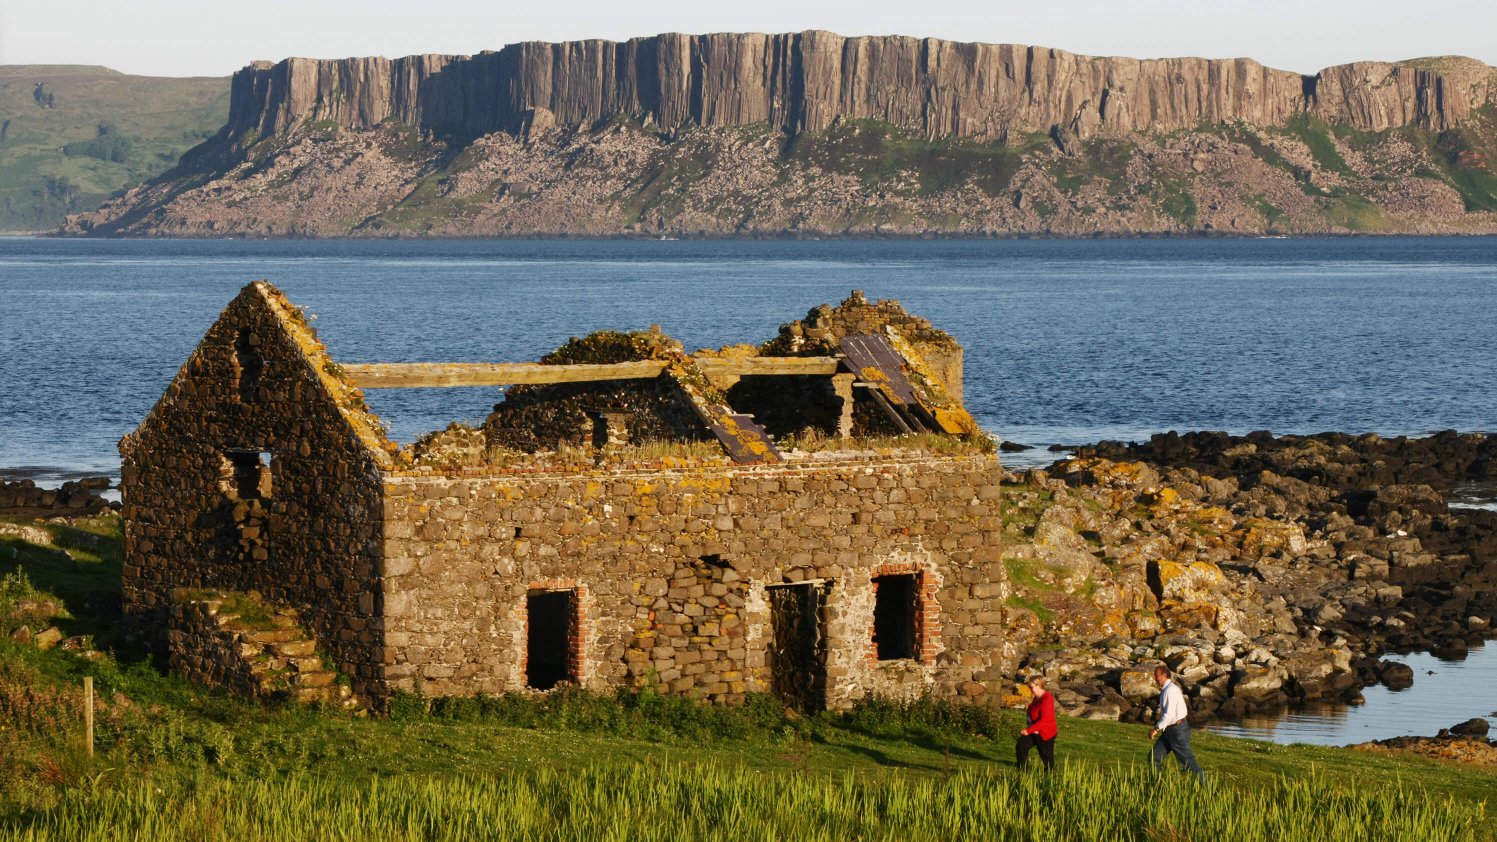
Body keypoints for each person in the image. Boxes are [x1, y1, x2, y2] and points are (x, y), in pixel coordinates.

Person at [1149, 665, 1204, 781]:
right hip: (1169, 731)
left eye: (1156, 675)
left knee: (1188, 763)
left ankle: (1207, 789)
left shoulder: (1170, 691)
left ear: (1164, 675)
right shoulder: (1167, 689)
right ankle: (1156, 784)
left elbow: (1169, 714)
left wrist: (1156, 729)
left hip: (1177, 731)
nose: (1154, 677)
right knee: (1154, 757)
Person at [1015, 675, 1057, 770]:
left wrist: (1028, 730)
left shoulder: (1046, 699)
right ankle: (1023, 771)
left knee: (1046, 756)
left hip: (1045, 733)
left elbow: (1045, 720)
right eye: (1029, 686)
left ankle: (1050, 776)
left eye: (1031, 687)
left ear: (1039, 685)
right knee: (1021, 747)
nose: (1029, 689)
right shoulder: (1037, 697)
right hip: (1034, 730)